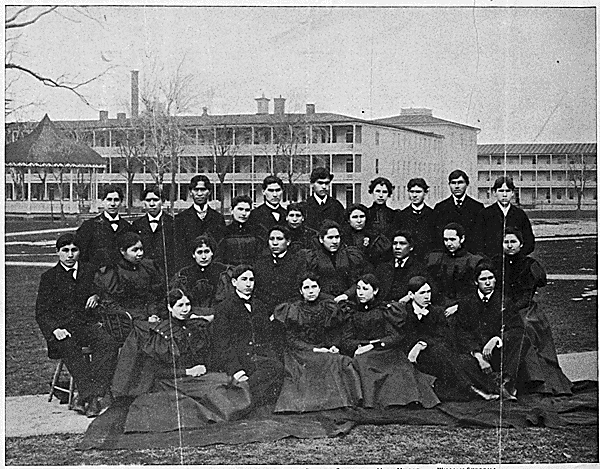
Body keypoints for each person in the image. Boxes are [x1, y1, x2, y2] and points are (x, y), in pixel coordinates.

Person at [111, 289, 252, 432]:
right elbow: (156, 371)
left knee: (233, 383)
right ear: (169, 307)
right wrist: (187, 371)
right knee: (216, 392)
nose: (185, 309)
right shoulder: (161, 333)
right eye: (180, 305)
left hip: (193, 378)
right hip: (171, 381)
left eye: (187, 304)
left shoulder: (194, 326)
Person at [35, 233, 119, 417]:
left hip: (87, 325)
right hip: (63, 330)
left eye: (74, 250)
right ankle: (91, 398)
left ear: (80, 252)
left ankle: (86, 396)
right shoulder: (49, 277)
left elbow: (104, 292)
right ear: (58, 253)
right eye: (65, 251)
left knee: (108, 343)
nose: (70, 254)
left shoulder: (89, 271)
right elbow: (41, 312)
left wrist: (96, 296)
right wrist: (55, 330)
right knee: (70, 348)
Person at [339, 274, 440, 409]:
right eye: (358, 289)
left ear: (375, 291)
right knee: (364, 362)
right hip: (363, 352)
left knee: (399, 367)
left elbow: (394, 336)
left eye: (365, 289)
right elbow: (346, 340)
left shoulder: (385, 310)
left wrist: (372, 345)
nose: (360, 293)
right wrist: (359, 346)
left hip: (384, 349)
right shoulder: (352, 312)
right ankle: (375, 402)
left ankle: (408, 399)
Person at [493, 228, 572, 395]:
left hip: (525, 309)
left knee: (525, 328)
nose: (509, 245)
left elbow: (527, 295)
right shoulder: (496, 263)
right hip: (501, 307)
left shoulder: (530, 265)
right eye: (506, 242)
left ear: (521, 244)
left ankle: (536, 380)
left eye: (513, 242)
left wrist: (508, 309)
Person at [399, 277, 499, 401]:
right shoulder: (404, 312)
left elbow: (442, 336)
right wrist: (416, 346)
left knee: (448, 354)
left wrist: (421, 344)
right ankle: (474, 389)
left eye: (428, 292)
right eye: (422, 293)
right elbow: (406, 336)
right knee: (445, 354)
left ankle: (476, 388)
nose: (427, 296)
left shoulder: (436, 312)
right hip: (412, 355)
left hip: (434, 353)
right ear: (411, 295)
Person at [272, 273, 362, 413]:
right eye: (306, 288)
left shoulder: (328, 307)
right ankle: (315, 404)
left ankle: (338, 402)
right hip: (299, 352)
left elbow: (332, 333)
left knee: (339, 360)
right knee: (324, 361)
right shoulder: (293, 310)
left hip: (322, 348)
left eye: (314, 287)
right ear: (301, 291)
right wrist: (314, 349)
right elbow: (292, 340)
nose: (311, 291)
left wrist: (332, 346)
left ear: (319, 289)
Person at [456, 263, 533, 400]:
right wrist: (478, 355)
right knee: (461, 361)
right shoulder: (466, 302)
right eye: (483, 279)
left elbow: (516, 327)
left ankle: (505, 380)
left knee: (522, 339)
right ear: (475, 281)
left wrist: (497, 339)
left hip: (497, 352)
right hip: (476, 354)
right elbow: (462, 333)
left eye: (490, 278)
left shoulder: (504, 301)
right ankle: (494, 385)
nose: (487, 283)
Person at [212, 265, 285, 409]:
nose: (248, 284)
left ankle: (245, 396)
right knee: (274, 370)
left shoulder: (260, 305)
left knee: (278, 368)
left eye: (251, 279)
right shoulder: (224, 308)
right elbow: (222, 343)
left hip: (259, 356)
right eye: (244, 279)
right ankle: (242, 396)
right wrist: (237, 371)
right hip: (239, 358)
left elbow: (267, 336)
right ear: (234, 282)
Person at [95, 232, 165, 324]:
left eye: (141, 249)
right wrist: (143, 318)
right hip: (127, 320)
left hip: (152, 315)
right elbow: (112, 304)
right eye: (135, 250)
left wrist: (153, 314)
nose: (140, 253)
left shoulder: (148, 266)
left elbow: (155, 295)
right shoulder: (113, 272)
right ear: (122, 251)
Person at [305, 220, 369, 301]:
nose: (335, 241)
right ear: (321, 239)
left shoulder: (350, 255)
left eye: (337, 237)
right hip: (322, 301)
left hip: (347, 300)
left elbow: (359, 280)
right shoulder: (313, 258)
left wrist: (346, 295)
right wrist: (331, 299)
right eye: (330, 237)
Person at [174, 175, 226, 272]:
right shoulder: (180, 219)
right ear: (190, 192)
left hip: (213, 271)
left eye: (203, 190)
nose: (199, 194)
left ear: (209, 192)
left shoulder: (218, 218)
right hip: (190, 270)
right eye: (196, 190)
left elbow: (221, 248)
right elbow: (179, 250)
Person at [474, 176, 535, 259]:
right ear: (494, 192)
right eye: (501, 191)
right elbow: (478, 242)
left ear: (513, 193)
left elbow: (529, 242)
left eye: (508, 191)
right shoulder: (485, 214)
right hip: (491, 262)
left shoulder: (520, 214)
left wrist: (518, 255)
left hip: (516, 263)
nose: (505, 194)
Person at [75, 184, 133, 268]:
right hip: (97, 276)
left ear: (121, 202)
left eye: (116, 200)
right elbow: (82, 255)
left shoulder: (127, 227)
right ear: (102, 201)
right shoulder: (89, 226)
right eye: (109, 200)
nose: (112, 204)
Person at [170, 235, 229, 315]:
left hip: (218, 316)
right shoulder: (183, 274)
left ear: (212, 253)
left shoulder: (223, 271)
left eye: (207, 251)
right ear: (193, 255)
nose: (204, 257)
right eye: (199, 252)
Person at [254, 226, 306, 312]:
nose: (275, 243)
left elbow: (297, 292)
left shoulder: (297, 263)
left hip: (288, 311)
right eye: (271, 239)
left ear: (288, 242)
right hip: (264, 311)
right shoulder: (260, 263)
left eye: (279, 239)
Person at [432, 170, 484, 254]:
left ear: (467, 184)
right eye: (453, 183)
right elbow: (437, 236)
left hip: (470, 256)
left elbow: (479, 237)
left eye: (460, 182)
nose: (456, 186)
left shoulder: (477, 207)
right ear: (449, 185)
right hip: (447, 256)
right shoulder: (440, 208)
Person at [132, 186, 175, 277]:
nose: (152, 204)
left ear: (162, 201)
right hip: (143, 273)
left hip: (167, 273)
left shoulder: (173, 223)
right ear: (144, 202)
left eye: (155, 200)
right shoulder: (137, 225)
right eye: (148, 200)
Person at [377, 230, 428, 301]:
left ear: (411, 247)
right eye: (395, 243)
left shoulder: (418, 269)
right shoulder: (382, 268)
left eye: (402, 244)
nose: (397, 247)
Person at [217, 195, 266, 266]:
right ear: (231, 210)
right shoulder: (223, 231)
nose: (244, 214)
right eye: (240, 209)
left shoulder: (258, 231)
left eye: (247, 210)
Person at [396, 178, 436, 261]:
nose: (414, 195)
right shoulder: (401, 215)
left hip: (427, 260)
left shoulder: (433, 215)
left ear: (425, 193)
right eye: (412, 192)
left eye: (418, 192)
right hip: (407, 260)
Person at [341, 203, 391, 267]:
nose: (359, 221)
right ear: (348, 220)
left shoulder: (376, 237)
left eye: (362, 216)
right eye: (355, 217)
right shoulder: (342, 237)